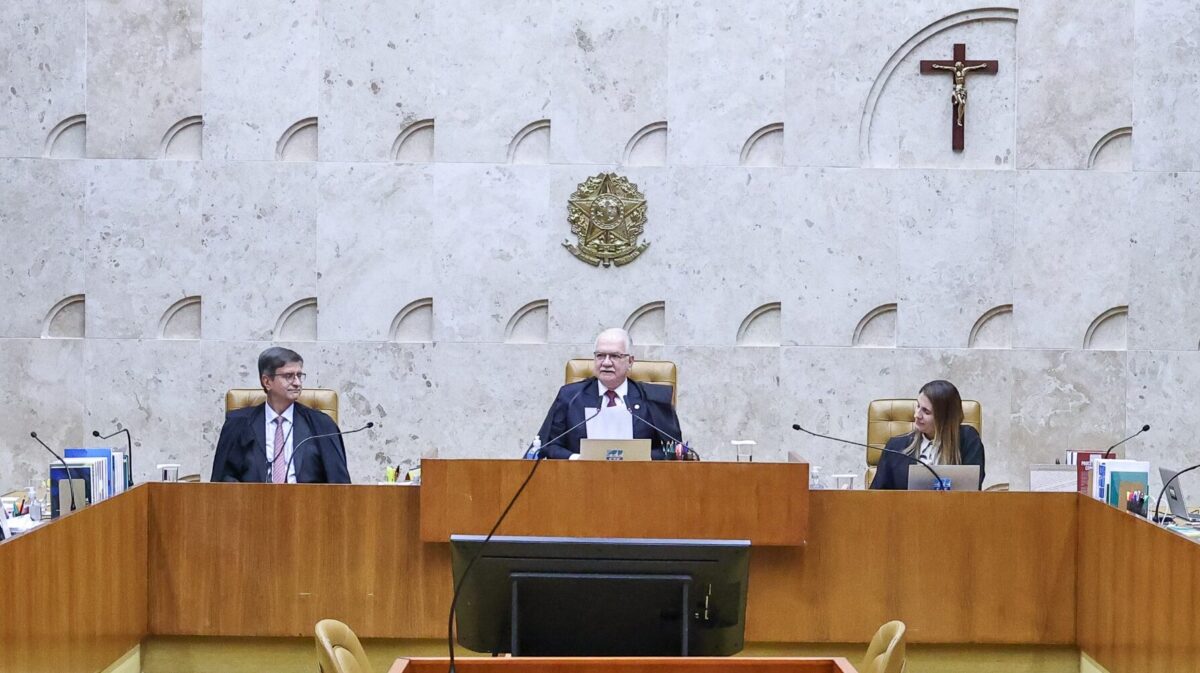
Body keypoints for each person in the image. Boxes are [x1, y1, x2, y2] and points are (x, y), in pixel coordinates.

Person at [535, 327, 683, 460]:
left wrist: (639, 458)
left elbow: (672, 450)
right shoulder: (570, 397)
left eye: (615, 356)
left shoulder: (653, 398)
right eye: (600, 355)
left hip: (641, 477)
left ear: (630, 361)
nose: (606, 362)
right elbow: (549, 445)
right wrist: (578, 459)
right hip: (580, 477)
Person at [210, 347, 351, 483]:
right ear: (267, 381)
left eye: (299, 375)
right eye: (289, 376)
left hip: (307, 499)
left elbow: (340, 485)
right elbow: (222, 482)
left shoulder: (322, 425)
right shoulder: (238, 424)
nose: (297, 383)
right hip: (254, 499)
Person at [869, 380, 985, 490]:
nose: (917, 415)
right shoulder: (896, 446)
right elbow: (876, 495)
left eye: (926, 412)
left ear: (945, 418)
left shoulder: (967, 439)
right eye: (918, 406)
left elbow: (973, 486)